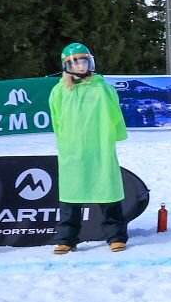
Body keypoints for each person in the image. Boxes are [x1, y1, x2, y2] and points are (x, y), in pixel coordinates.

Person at [49, 42, 129, 254]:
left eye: (84, 61)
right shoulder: (59, 91)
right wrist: (64, 142)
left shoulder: (102, 88)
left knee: (107, 193)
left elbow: (115, 114)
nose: (81, 66)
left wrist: (116, 136)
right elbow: (56, 120)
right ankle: (67, 238)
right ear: (67, 65)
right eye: (76, 62)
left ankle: (115, 236)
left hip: (99, 148)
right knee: (70, 196)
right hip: (72, 151)